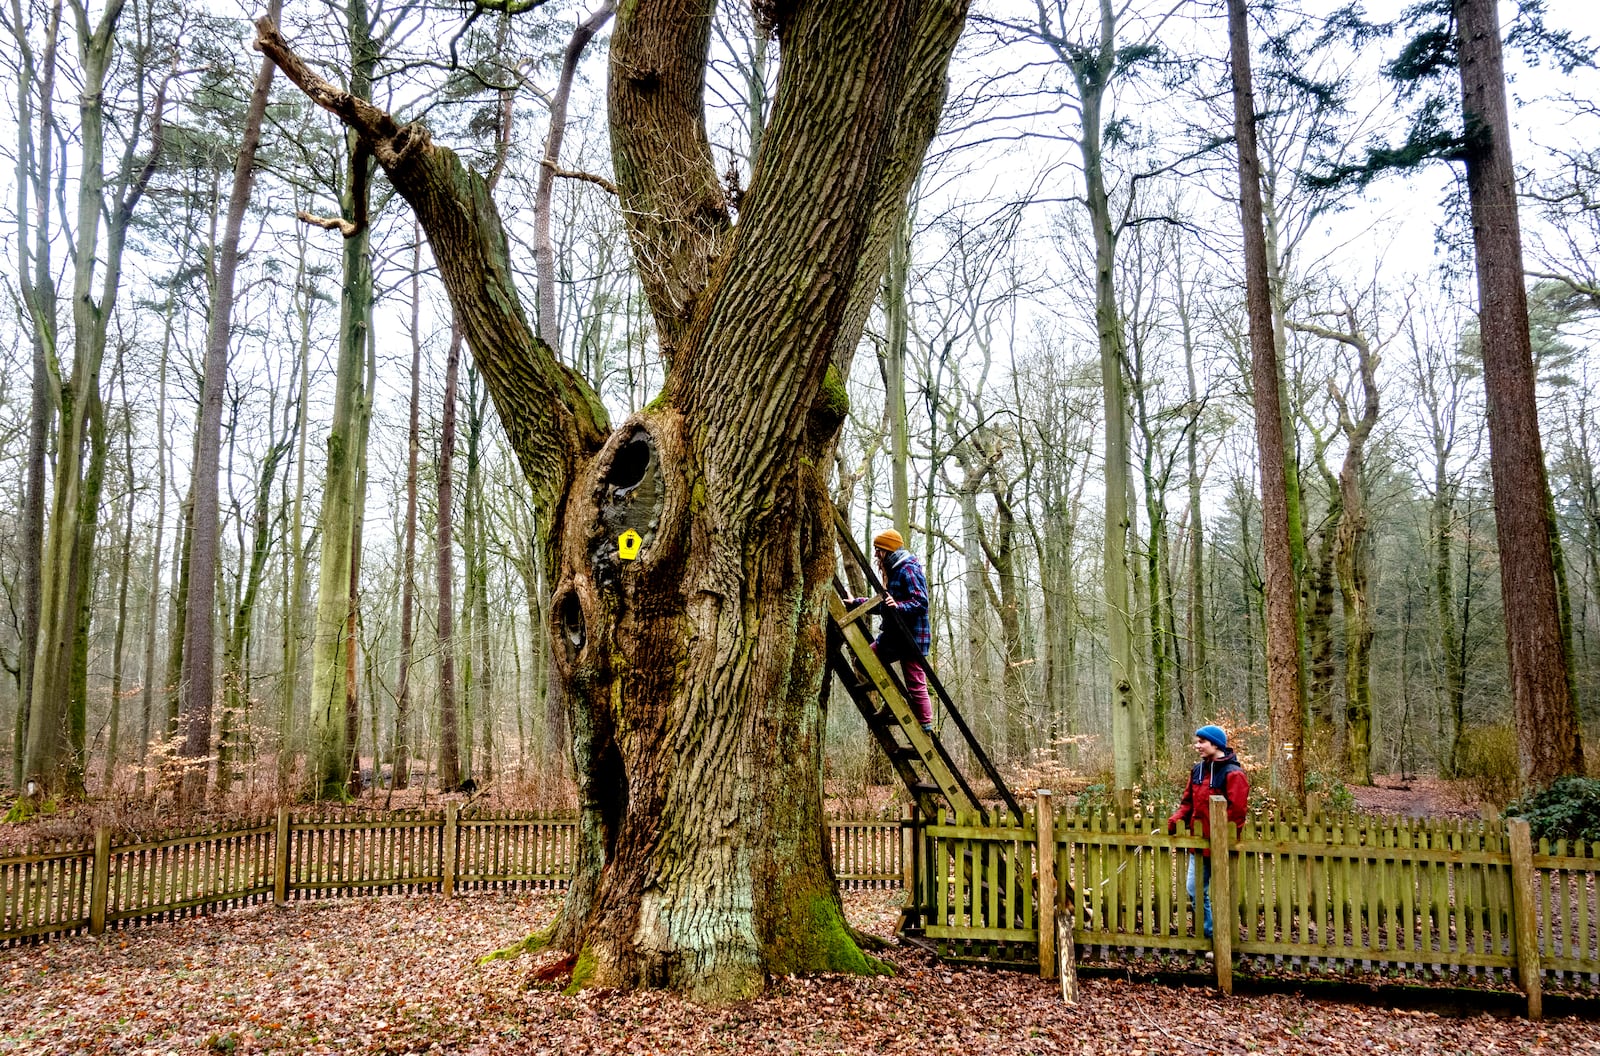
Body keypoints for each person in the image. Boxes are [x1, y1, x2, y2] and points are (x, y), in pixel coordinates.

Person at [1166, 724, 1249, 940]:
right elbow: (1188, 803)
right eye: (1197, 741)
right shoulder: (1197, 770)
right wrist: (1176, 820)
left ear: (1215, 744)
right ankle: (1211, 935)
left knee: (1223, 893)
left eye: (1201, 742)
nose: (1197, 746)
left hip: (1222, 846)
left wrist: (1222, 838)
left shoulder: (1234, 774)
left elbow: (1237, 813)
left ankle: (1224, 940)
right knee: (1194, 889)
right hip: (1199, 845)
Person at [853, 529, 934, 732]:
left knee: (915, 683)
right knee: (864, 660)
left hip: (912, 636)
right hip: (894, 635)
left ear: (888, 550)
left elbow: (921, 602)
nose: (876, 555)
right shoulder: (894, 570)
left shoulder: (908, 569)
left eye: (879, 550)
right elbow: (883, 603)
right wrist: (856, 603)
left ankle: (926, 728)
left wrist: (899, 606)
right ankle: (891, 700)